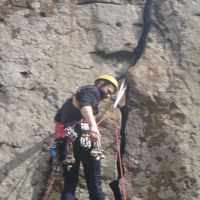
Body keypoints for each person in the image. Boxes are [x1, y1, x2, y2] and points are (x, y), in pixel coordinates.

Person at [54, 75, 119, 200]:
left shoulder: (70, 102)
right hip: (84, 138)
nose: (108, 96)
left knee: (70, 183)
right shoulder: (92, 90)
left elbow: (58, 120)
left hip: (67, 142)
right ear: (100, 83)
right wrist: (93, 126)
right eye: (108, 91)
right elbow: (85, 105)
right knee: (94, 181)